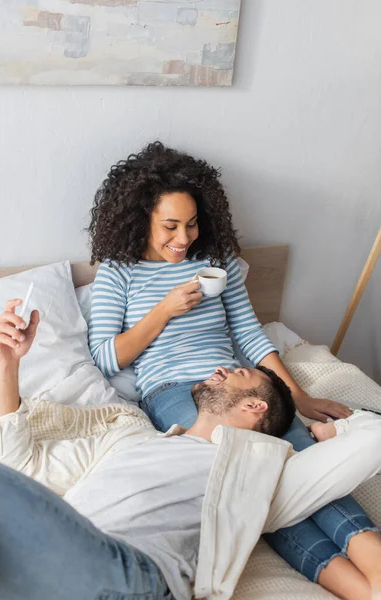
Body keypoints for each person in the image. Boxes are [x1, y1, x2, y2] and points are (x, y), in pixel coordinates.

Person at [88, 141, 380, 596]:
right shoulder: (118, 273)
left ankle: (375, 566)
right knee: (250, 476)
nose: (183, 238)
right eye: (170, 226)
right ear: (139, 217)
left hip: (237, 381)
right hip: (174, 391)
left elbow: (249, 333)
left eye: (191, 224)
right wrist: (162, 311)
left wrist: (294, 394)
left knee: (303, 455)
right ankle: (360, 589)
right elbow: (106, 357)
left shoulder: (215, 262)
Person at [0, 302, 381, 600]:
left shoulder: (257, 469)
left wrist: (331, 429)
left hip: (129, 576)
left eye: (237, 372)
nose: (220, 369)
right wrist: (6, 366)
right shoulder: (127, 438)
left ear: (254, 407)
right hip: (47, 569)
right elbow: (17, 464)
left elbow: (373, 439)